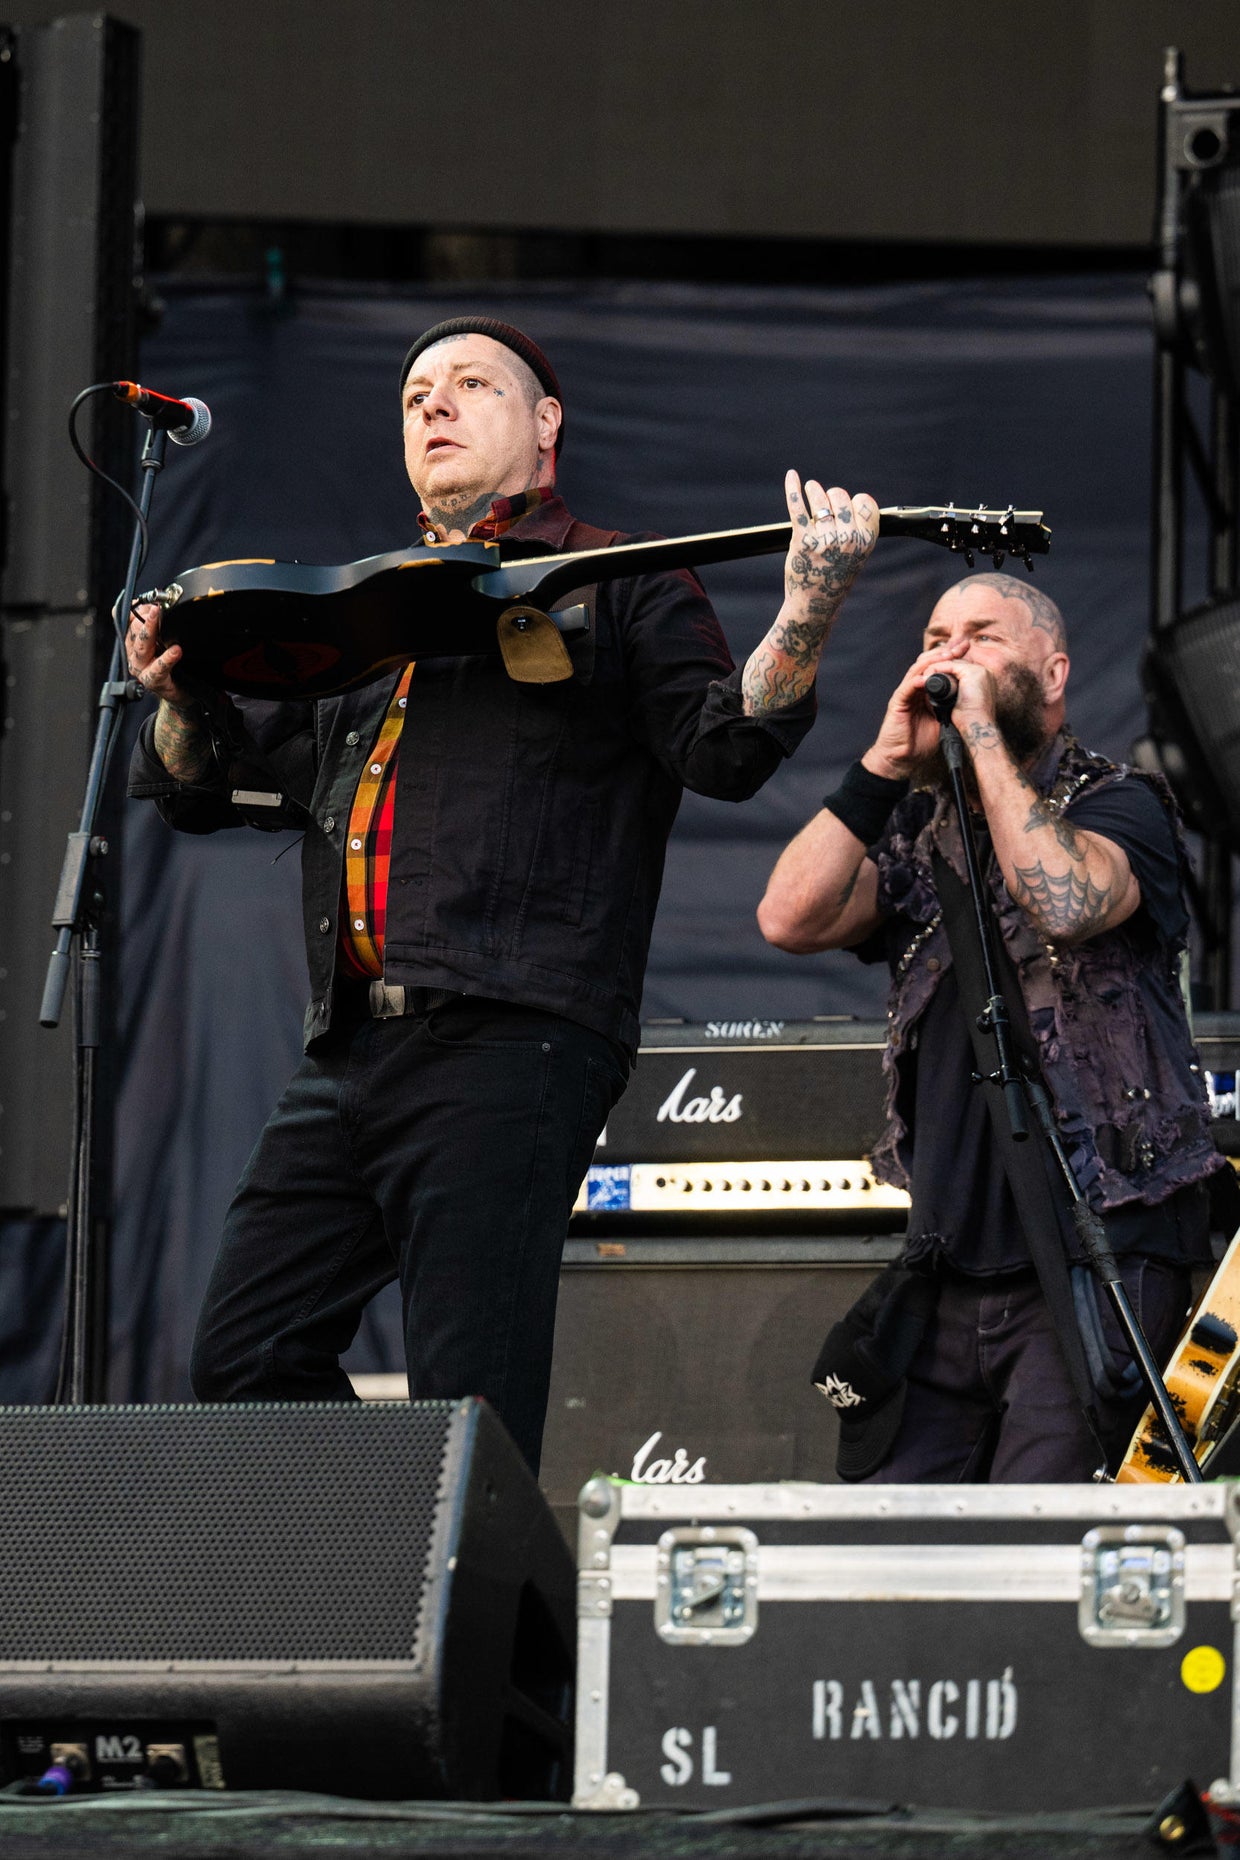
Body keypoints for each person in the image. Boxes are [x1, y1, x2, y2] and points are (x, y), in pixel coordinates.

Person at [127, 314, 879, 1472]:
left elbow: (725, 749)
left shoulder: (616, 579)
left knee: (468, 1392)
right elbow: (205, 790)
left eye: (470, 384)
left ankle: (485, 1648)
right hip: (347, 1049)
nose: (432, 404)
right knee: (246, 1352)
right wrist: (178, 694)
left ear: (545, 424)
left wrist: (807, 611)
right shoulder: (359, 613)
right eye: (416, 392)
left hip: (514, 1034)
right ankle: (394, 1591)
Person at [758, 571, 1226, 1482]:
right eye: (936, 636)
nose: (949, 653)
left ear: (1051, 675)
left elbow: (1065, 901)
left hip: (1100, 1255)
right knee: (896, 1557)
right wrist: (885, 764)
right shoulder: (917, 829)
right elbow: (790, 918)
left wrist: (977, 734)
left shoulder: (1121, 804)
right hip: (948, 1266)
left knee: (1046, 1551)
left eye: (981, 636)